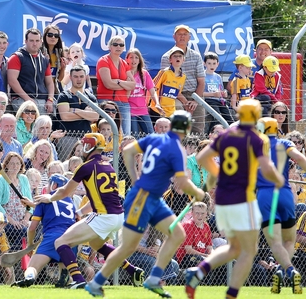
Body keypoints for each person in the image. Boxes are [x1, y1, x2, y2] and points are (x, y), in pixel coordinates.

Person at [85, 111, 205, 297]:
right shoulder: (177, 149)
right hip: (143, 198)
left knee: (177, 233)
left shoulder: (155, 138)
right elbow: (181, 182)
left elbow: (127, 151)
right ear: (188, 128)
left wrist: (135, 178)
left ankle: (154, 278)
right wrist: (198, 192)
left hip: (153, 199)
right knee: (127, 247)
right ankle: (96, 283)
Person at [185, 99, 284, 299]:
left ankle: (199, 271)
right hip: (243, 198)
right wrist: (278, 179)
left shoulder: (227, 135)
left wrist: (220, 174)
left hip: (223, 198)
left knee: (235, 248)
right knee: (249, 250)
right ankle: (231, 294)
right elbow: (267, 168)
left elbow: (203, 157)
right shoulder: (257, 139)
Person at [34, 133, 145, 289]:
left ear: (90, 146)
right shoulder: (108, 165)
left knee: (61, 242)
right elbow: (97, 198)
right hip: (117, 216)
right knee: (97, 243)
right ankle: (132, 270)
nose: (82, 150)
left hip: (104, 216)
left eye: (85, 145)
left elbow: (66, 191)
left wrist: (49, 198)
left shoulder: (86, 167)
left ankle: (78, 280)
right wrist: (80, 211)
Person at [255, 117, 306, 294]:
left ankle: (290, 270)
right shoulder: (284, 143)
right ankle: (281, 269)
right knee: (289, 240)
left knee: (275, 242)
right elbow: (300, 157)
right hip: (285, 193)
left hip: (264, 196)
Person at [13, 174, 76, 287]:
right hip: (71, 238)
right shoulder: (70, 202)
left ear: (54, 185)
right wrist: (33, 204)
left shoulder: (44, 199)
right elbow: (56, 208)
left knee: (32, 267)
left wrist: (30, 244)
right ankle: (64, 275)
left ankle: (30, 277)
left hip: (52, 237)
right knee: (64, 257)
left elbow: (32, 228)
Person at [159, 25, 205, 134]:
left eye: (185, 34)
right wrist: (185, 102)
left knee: (198, 127)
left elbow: (202, 81)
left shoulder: (196, 56)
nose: (182, 37)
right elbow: (167, 84)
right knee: (179, 120)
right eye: (179, 34)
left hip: (195, 94)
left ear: (189, 37)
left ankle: (197, 149)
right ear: (174, 37)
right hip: (175, 95)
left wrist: (194, 101)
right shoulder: (166, 57)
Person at [8, 28, 55, 114]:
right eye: (31, 40)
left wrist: (50, 99)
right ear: (26, 41)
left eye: (37, 40)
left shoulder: (44, 60)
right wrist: (27, 99)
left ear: (41, 42)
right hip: (21, 99)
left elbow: (49, 83)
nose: (34, 43)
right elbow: (12, 81)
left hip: (42, 99)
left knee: (53, 115)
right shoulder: (16, 57)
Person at [96, 35, 135, 135]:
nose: (118, 47)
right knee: (106, 133)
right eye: (115, 44)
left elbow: (133, 85)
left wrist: (118, 81)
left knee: (125, 134)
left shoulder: (125, 64)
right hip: (106, 102)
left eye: (121, 45)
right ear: (110, 47)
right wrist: (125, 84)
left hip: (123, 102)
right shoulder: (103, 61)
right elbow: (108, 84)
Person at [126, 48, 159, 136]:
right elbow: (125, 96)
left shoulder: (144, 73)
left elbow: (152, 91)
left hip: (143, 110)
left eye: (136, 57)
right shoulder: (125, 73)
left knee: (151, 135)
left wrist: (157, 103)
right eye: (131, 57)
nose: (134, 60)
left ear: (140, 60)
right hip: (129, 110)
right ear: (127, 59)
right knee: (134, 136)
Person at [150, 47, 187, 118]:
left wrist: (186, 102)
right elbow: (152, 88)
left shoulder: (183, 76)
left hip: (171, 112)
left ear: (183, 60)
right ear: (170, 60)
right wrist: (156, 104)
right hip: (157, 110)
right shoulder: (164, 72)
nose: (177, 58)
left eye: (180, 56)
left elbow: (177, 93)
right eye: (175, 56)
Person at [202, 52, 234, 130]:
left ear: (217, 64)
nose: (212, 66)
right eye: (209, 63)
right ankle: (211, 134)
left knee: (229, 119)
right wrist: (213, 94)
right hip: (209, 101)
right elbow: (200, 93)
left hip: (220, 101)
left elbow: (221, 90)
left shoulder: (218, 77)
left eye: (214, 63)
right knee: (217, 117)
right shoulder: (202, 75)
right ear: (204, 63)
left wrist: (224, 93)